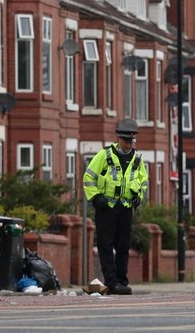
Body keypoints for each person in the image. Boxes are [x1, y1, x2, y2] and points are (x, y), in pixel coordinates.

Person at [83, 118, 148, 295]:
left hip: (126, 207)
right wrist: (96, 198)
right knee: (105, 245)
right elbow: (89, 177)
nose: (128, 144)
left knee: (123, 245)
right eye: (126, 141)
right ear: (118, 139)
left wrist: (138, 197)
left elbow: (142, 182)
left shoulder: (137, 159)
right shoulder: (105, 155)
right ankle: (111, 282)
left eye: (131, 141)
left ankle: (122, 280)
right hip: (107, 207)